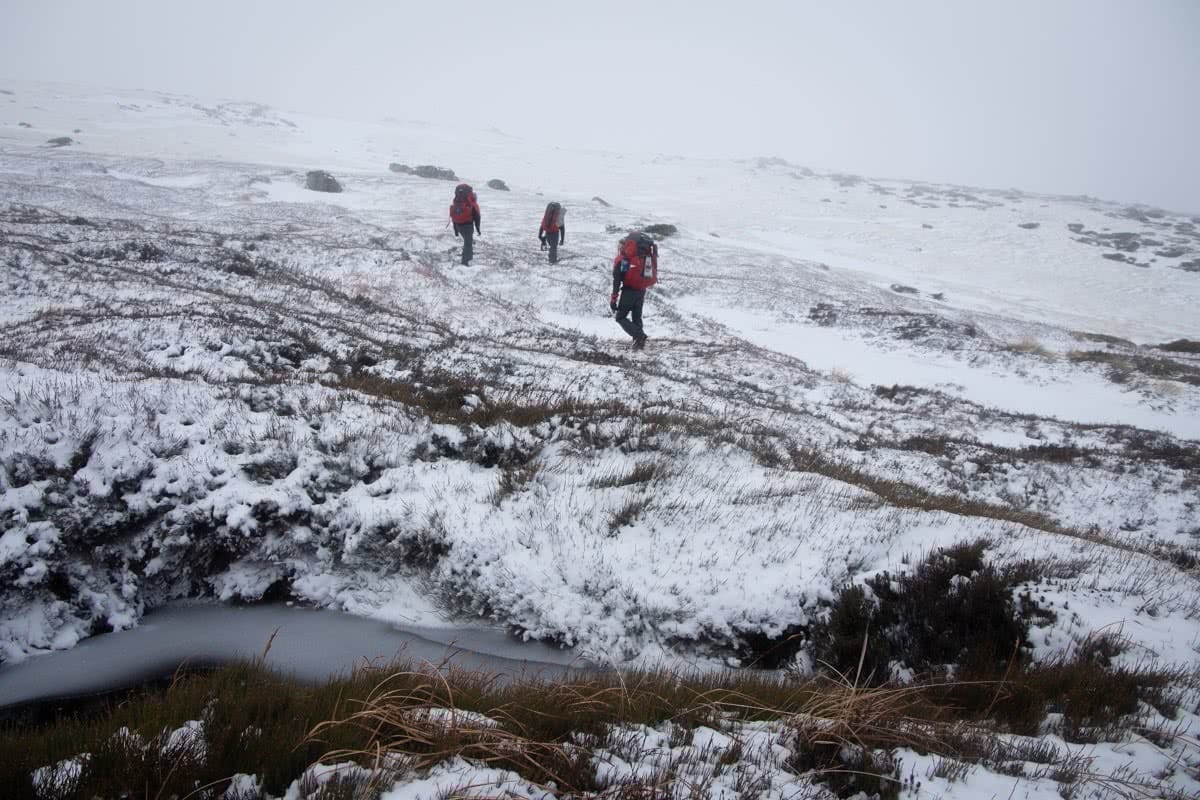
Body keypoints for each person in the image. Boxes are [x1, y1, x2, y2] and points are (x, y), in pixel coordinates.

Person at [609, 231, 658, 350]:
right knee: (637, 316)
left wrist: (613, 299)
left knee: (620, 317)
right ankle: (639, 343)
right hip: (641, 289)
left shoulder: (622, 260)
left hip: (629, 291)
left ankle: (639, 336)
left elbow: (617, 281)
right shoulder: (641, 257)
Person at [449, 183, 481, 265]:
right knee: (468, 244)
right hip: (467, 225)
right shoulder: (473, 204)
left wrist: (456, 231)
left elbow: (454, 215)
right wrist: (478, 230)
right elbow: (477, 217)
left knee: (467, 241)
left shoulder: (456, 202)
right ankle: (466, 263)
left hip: (458, 225)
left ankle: (467, 255)